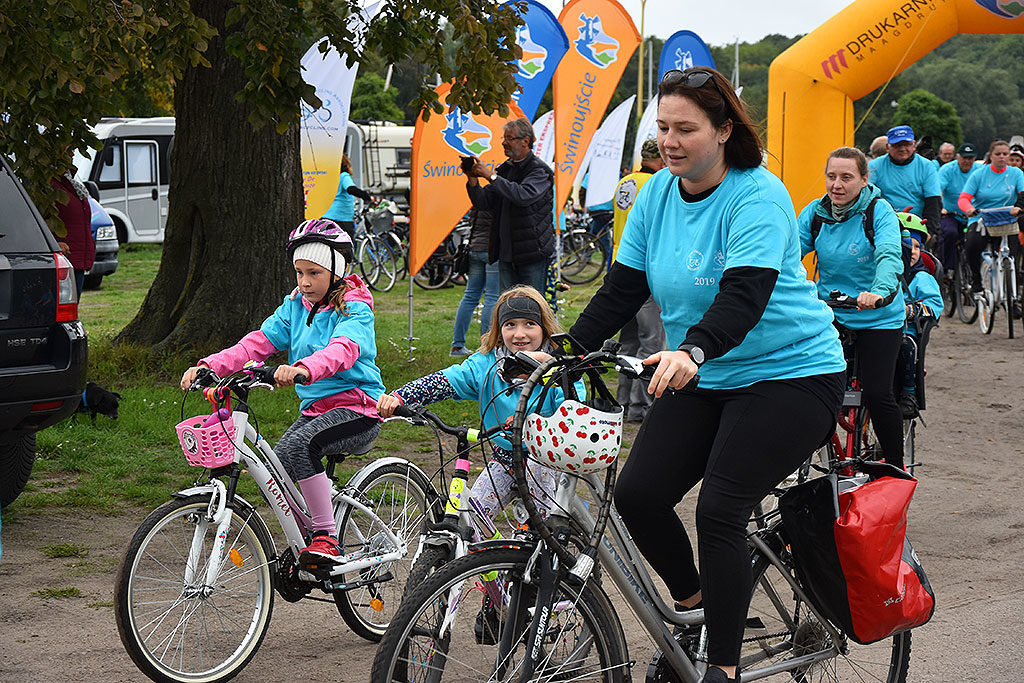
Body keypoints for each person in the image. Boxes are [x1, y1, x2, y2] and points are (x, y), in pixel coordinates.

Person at [568, 67, 846, 683]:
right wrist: (565, 349)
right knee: (637, 495)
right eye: (663, 127)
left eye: (685, 129)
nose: (669, 141)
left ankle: (721, 666)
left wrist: (691, 350)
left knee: (720, 509)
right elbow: (622, 290)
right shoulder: (656, 196)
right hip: (705, 371)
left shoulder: (758, 196)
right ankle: (698, 612)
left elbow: (744, 296)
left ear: (723, 131)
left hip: (791, 373)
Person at [180, 219, 386, 565]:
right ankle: (306, 538)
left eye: (314, 273)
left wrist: (304, 368)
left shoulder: (355, 309)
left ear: (336, 271)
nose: (305, 282)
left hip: (359, 409)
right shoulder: (295, 307)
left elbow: (343, 348)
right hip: (317, 410)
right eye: (299, 272)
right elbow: (257, 343)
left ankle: (326, 537)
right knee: (277, 468)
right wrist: (212, 365)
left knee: (299, 447)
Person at [378, 285, 583, 529]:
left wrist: (550, 368)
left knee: (541, 527)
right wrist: (400, 397)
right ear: (499, 329)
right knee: (468, 523)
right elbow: (445, 380)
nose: (519, 334)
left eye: (529, 324)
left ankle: (542, 544)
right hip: (504, 459)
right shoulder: (487, 364)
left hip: (546, 462)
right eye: (510, 325)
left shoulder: (560, 366)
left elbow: (575, 410)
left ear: (544, 328)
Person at [799, 146, 906, 468]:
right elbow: (788, 255)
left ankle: (895, 468)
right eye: (831, 176)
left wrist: (879, 292)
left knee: (877, 393)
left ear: (864, 179)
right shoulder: (815, 213)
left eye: (846, 177)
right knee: (808, 385)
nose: (837, 185)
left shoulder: (879, 212)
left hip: (877, 315)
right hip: (831, 310)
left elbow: (888, 254)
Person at [611, 138, 667, 423]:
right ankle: (640, 406)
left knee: (628, 343)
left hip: (619, 267)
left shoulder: (626, 182)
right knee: (651, 343)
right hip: (645, 270)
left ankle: (621, 402)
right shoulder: (657, 185)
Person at [465, 117, 555, 293]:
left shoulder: (539, 171)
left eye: (509, 138)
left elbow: (522, 195)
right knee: (507, 304)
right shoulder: (505, 170)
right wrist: (473, 180)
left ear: (525, 141)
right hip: (506, 253)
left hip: (531, 253)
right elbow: (483, 203)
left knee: (532, 304)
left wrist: (490, 176)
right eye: (504, 138)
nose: (504, 143)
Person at [958, 139, 1024, 295]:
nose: (1002, 157)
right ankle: (976, 280)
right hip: (982, 218)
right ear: (991, 156)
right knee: (972, 244)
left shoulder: (1016, 173)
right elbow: (964, 198)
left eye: (1005, 154)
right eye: (998, 154)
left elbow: (1023, 193)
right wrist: (969, 209)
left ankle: (1013, 295)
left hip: (1008, 219)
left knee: (1013, 255)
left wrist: (1019, 207)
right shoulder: (979, 174)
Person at [896, 213, 942, 418]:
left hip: (907, 330)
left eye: (916, 246)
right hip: (876, 326)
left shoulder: (922, 278)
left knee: (906, 346)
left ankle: (909, 393)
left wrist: (912, 310)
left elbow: (935, 305)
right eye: (905, 245)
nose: (911, 251)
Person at [868, 125, 942, 234]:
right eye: (897, 145)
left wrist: (929, 232)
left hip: (917, 224)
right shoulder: (874, 165)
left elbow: (933, 202)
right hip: (883, 222)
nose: (902, 149)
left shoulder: (927, 166)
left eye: (907, 144)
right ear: (888, 147)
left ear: (914, 145)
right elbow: (868, 196)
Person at [450, 207, 499, 357]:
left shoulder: (478, 200)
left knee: (470, 296)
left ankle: (457, 345)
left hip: (474, 249)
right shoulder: (498, 199)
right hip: (492, 250)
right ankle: (487, 346)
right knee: (492, 297)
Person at [48, 164, 94, 296]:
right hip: (60, 260)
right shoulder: (49, 184)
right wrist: (53, 244)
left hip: (76, 259)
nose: (72, 154)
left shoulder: (72, 183)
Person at [936, 142, 978, 272]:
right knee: (949, 233)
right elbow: (938, 190)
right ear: (958, 157)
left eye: (970, 158)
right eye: (964, 158)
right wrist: (940, 207)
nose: (967, 161)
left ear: (974, 159)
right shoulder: (947, 169)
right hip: (951, 213)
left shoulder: (980, 170)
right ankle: (947, 269)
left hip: (973, 215)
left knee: (978, 237)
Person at [322, 154, 375, 239]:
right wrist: (367, 197)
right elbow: (351, 189)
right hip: (341, 218)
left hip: (326, 216)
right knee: (347, 244)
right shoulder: (344, 176)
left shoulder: (330, 178)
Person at [579, 170, 614, 271]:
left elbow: (583, 190)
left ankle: (587, 256)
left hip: (596, 209)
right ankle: (605, 258)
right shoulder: (612, 173)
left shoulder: (591, 174)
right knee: (600, 236)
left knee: (596, 235)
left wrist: (583, 205)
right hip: (608, 209)